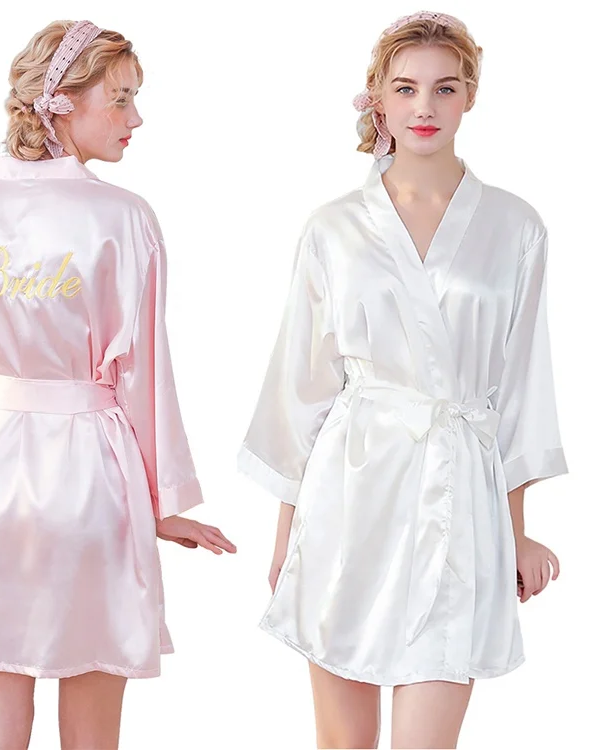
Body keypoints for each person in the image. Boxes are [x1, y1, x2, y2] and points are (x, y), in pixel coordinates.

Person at [237, 10, 568, 749]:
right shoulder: (333, 227)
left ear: (470, 96)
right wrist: (287, 539)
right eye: (406, 88)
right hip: (350, 495)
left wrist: (517, 532)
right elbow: (300, 388)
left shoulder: (516, 227)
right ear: (378, 98)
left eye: (445, 88)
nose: (425, 106)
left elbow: (522, 386)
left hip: (460, 498)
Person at [0, 19, 236, 750]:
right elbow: (144, 372)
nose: (135, 118)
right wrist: (162, 501)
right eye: (120, 99)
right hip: (90, 476)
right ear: (63, 103)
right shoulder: (123, 218)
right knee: (93, 720)